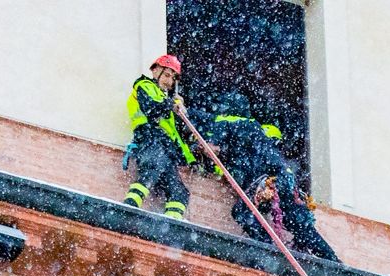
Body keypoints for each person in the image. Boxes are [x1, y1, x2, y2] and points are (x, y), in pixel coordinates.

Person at [202, 91, 341, 261]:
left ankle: (271, 252)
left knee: (242, 212)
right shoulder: (254, 127)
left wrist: (204, 148)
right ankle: (333, 261)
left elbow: (213, 149)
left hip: (266, 178)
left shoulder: (226, 123)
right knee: (297, 222)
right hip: (286, 178)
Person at [124, 55, 195, 221]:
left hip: (166, 146)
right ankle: (130, 206)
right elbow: (150, 108)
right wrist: (171, 105)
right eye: (166, 75)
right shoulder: (144, 86)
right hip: (149, 137)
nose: (169, 82)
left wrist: (181, 111)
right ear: (155, 71)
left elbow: (176, 131)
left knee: (179, 192)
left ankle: (171, 224)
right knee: (152, 168)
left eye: (173, 78)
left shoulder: (166, 99)